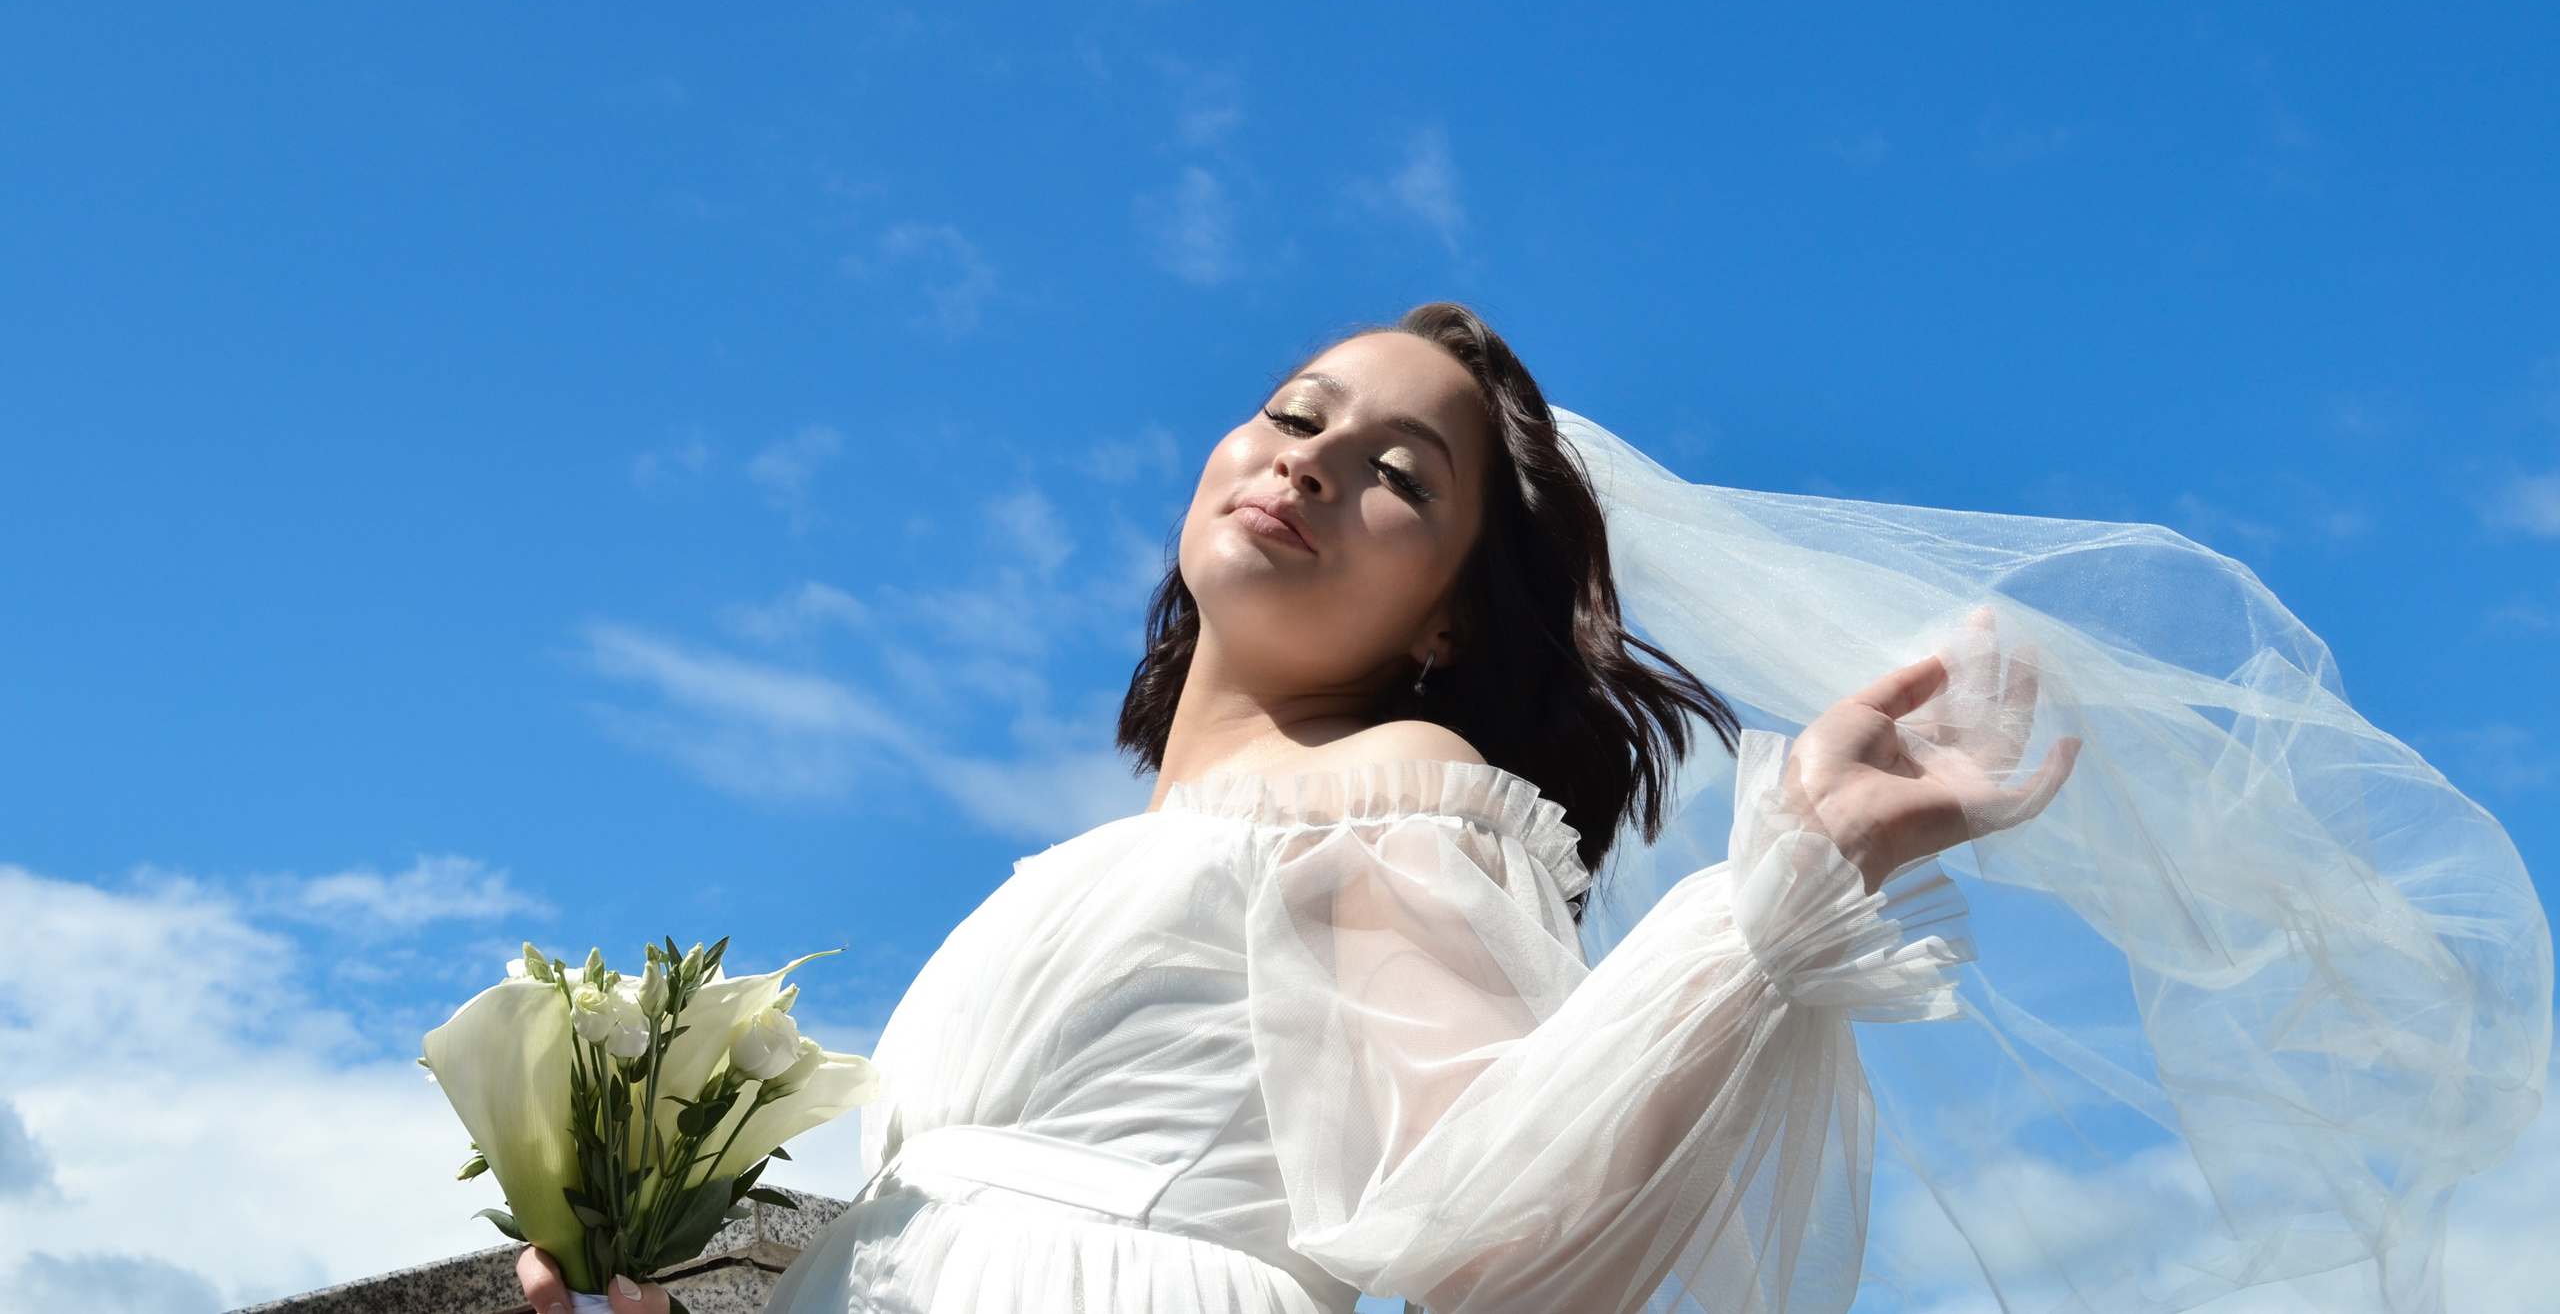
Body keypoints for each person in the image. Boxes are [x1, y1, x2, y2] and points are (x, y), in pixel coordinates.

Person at [520, 301, 2077, 1314]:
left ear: (1445, 626)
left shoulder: (1394, 804)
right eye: (1293, 413)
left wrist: (1783, 892)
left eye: (1400, 472)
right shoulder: (1137, 847)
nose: (1313, 460)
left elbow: (1503, 1229)